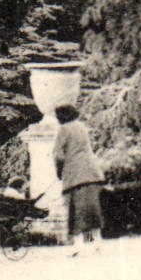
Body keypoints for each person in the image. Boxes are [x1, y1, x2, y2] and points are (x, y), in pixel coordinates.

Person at [52, 104, 105, 247]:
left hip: (74, 174)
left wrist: (59, 171)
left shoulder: (64, 129)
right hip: (92, 172)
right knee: (92, 208)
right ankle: (97, 242)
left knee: (74, 210)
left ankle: (78, 245)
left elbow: (58, 154)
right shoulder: (82, 127)